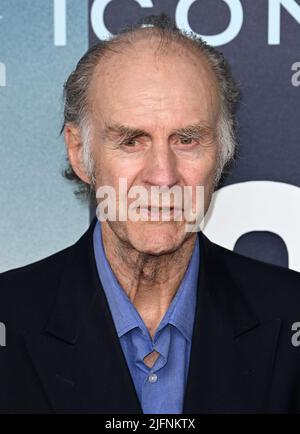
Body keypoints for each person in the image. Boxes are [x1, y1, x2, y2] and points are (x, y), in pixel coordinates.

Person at [0, 14, 300, 414]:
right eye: (131, 140)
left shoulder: (290, 315)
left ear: (222, 154)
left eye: (188, 139)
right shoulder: (9, 317)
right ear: (79, 153)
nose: (163, 176)